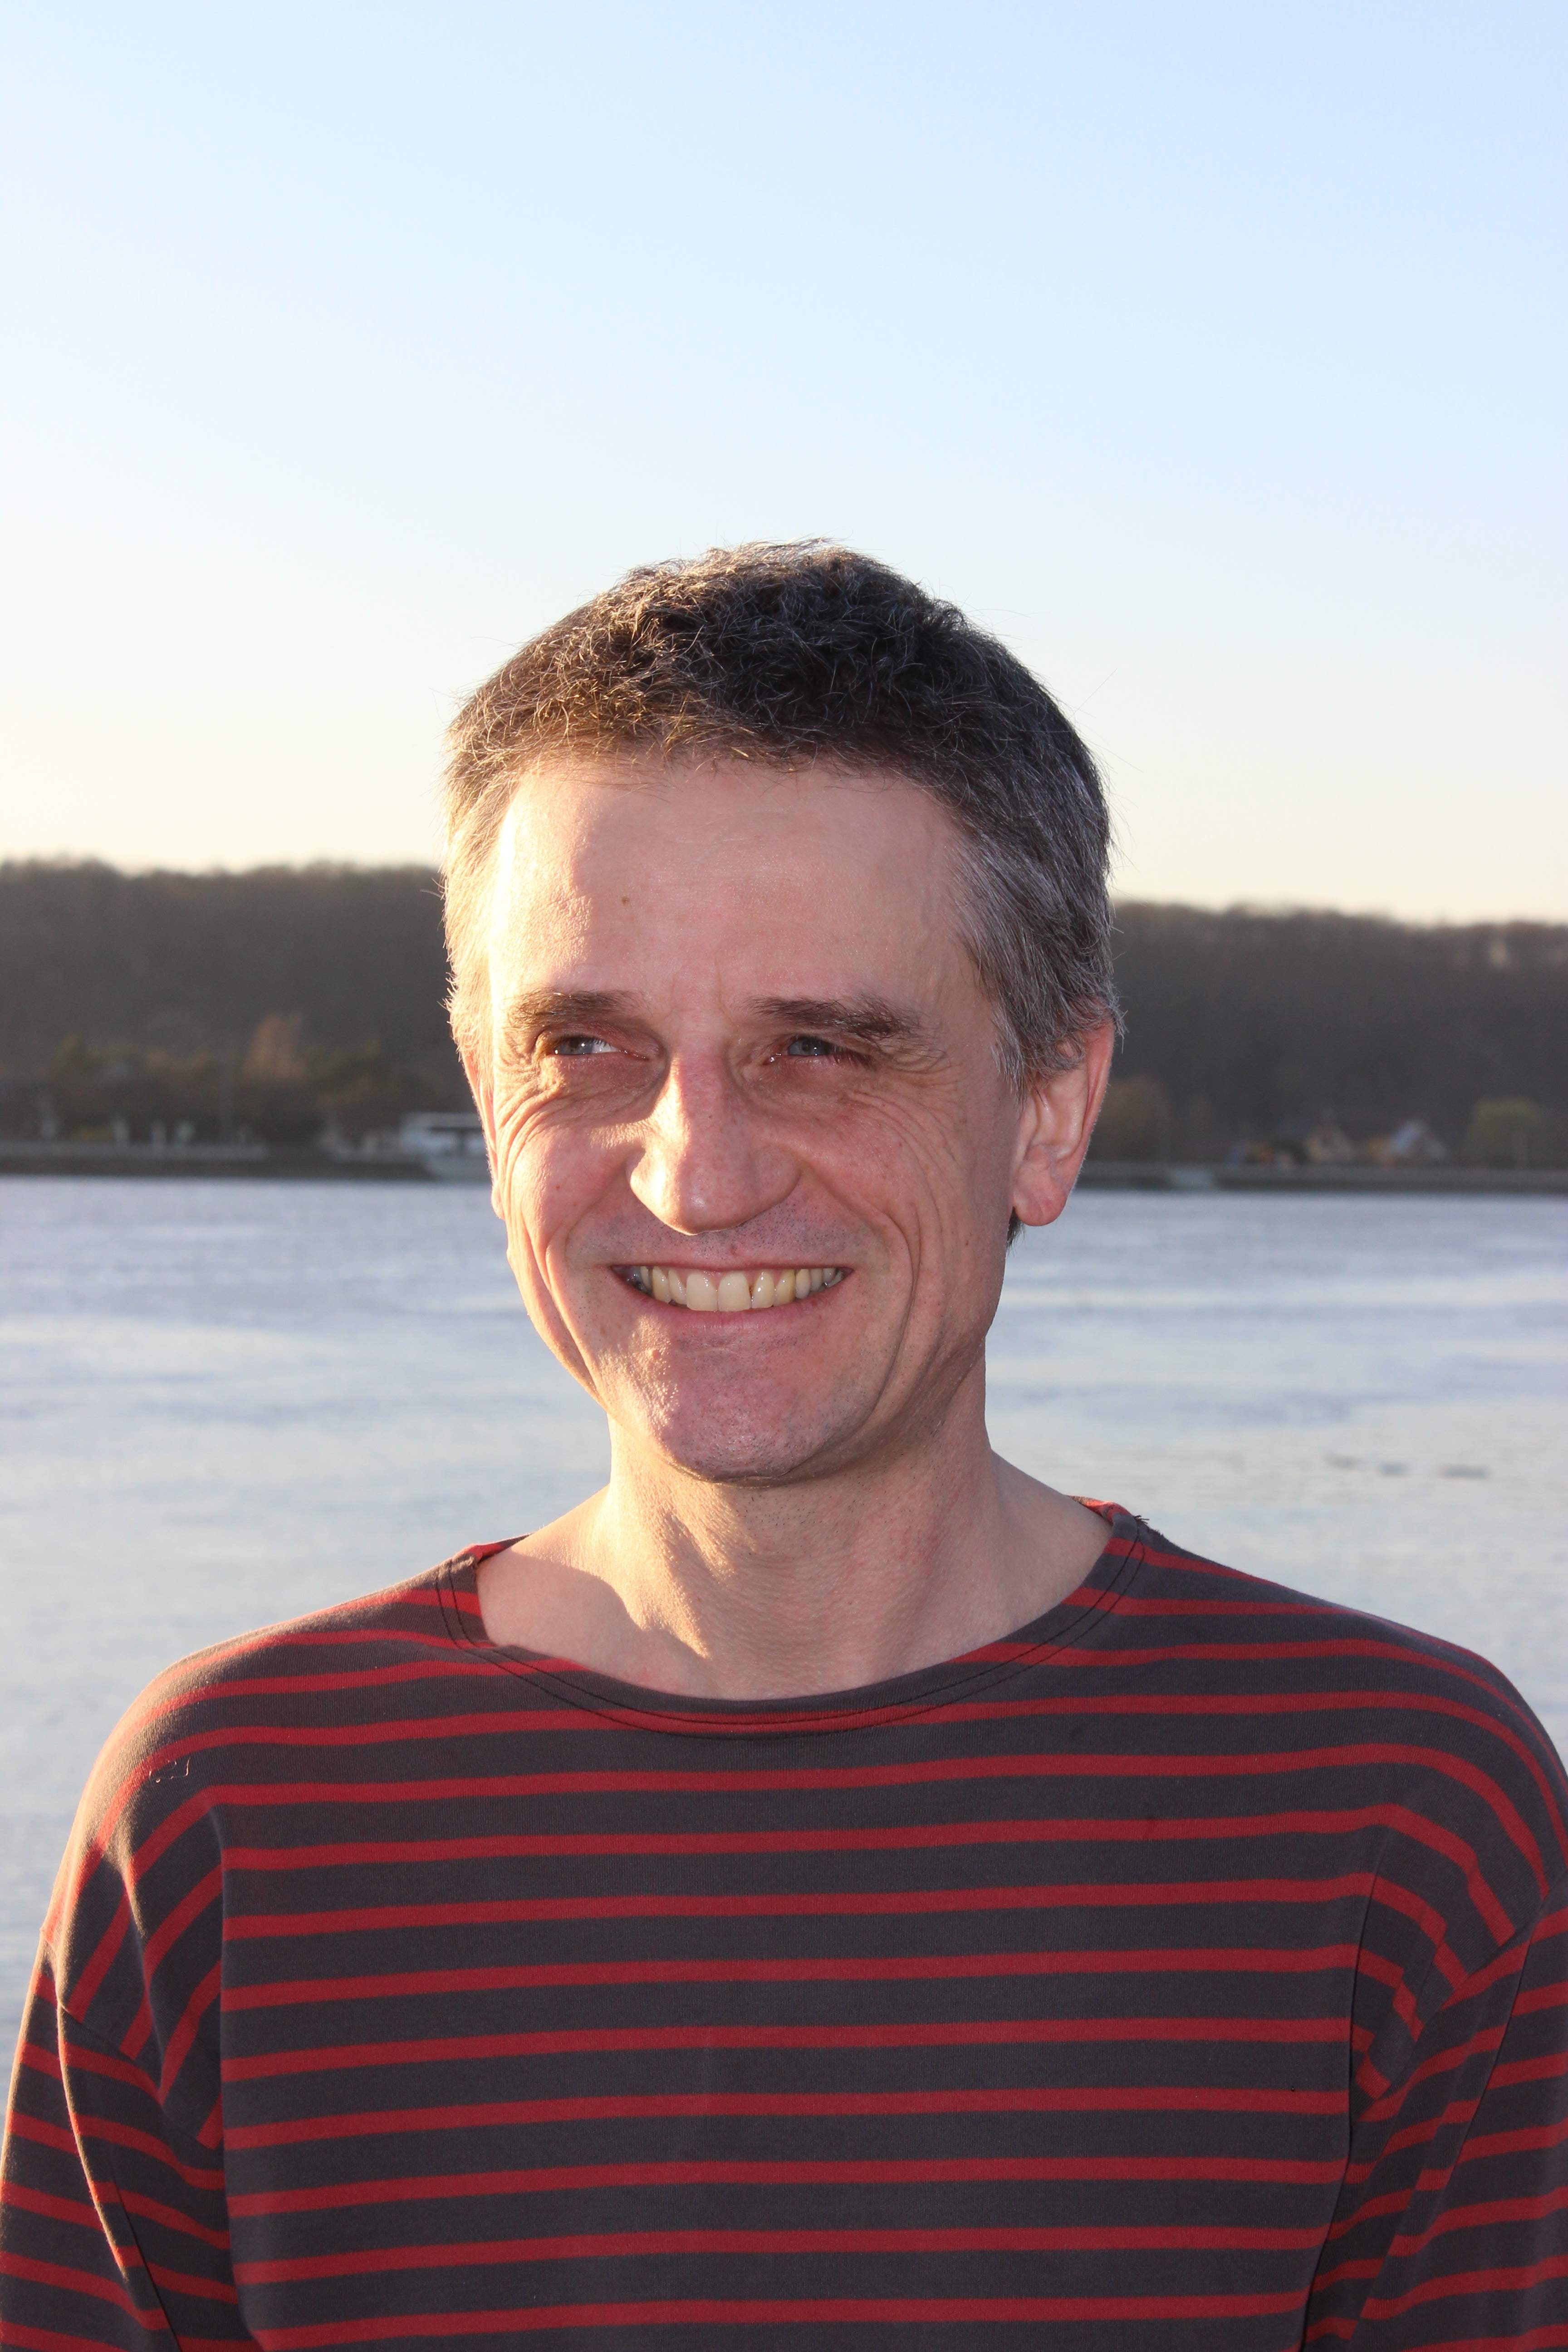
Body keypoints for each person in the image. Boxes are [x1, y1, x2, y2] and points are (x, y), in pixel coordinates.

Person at [2, 543, 1565, 2350]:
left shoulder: (1392, 1825)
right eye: (587, 1044)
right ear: (486, 1092)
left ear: (1049, 1110)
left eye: (818, 1045)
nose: (699, 1174)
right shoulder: (228, 1821)